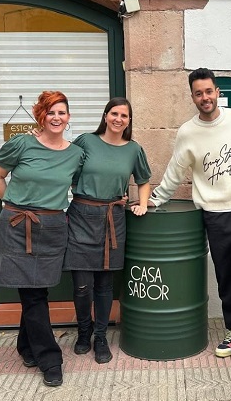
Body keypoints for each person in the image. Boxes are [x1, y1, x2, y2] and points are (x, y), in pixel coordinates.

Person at [148, 68, 231, 368]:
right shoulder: (188, 132)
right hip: (214, 215)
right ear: (192, 97)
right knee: (225, 277)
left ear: (217, 92)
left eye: (209, 91)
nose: (205, 97)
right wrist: (155, 199)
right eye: (198, 93)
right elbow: (175, 170)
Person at [0, 91, 85, 387]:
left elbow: (83, 183)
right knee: (33, 294)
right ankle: (50, 359)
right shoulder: (22, 144)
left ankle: (25, 346)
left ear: (68, 117)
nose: (56, 118)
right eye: (50, 112)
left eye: (61, 112)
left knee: (37, 291)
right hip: (18, 226)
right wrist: (12, 205)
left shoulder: (76, 154)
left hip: (52, 226)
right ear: (40, 116)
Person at [64, 97, 151, 364]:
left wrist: (142, 203)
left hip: (113, 219)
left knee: (104, 285)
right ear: (105, 116)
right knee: (82, 285)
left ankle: (100, 337)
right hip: (81, 216)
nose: (118, 119)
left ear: (129, 120)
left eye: (124, 116)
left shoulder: (134, 149)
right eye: (114, 114)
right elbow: (62, 164)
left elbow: (144, 180)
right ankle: (84, 331)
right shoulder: (86, 141)